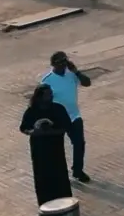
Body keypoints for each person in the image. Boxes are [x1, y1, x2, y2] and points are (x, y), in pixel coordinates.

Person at [40, 51, 93, 183]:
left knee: (79, 143)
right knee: (56, 147)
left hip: (74, 116)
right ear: (53, 64)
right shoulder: (47, 80)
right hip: (58, 118)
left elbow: (87, 83)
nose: (64, 65)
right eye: (60, 62)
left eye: (65, 61)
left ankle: (78, 171)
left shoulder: (71, 75)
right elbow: (43, 101)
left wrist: (77, 72)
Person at [19, 83, 73, 207]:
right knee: (42, 178)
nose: (50, 97)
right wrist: (33, 132)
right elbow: (24, 128)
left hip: (55, 149)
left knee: (60, 176)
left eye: (51, 94)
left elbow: (66, 126)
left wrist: (49, 132)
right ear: (39, 97)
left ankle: (66, 204)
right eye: (47, 95)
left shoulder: (58, 109)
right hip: (39, 150)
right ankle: (45, 206)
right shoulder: (32, 111)